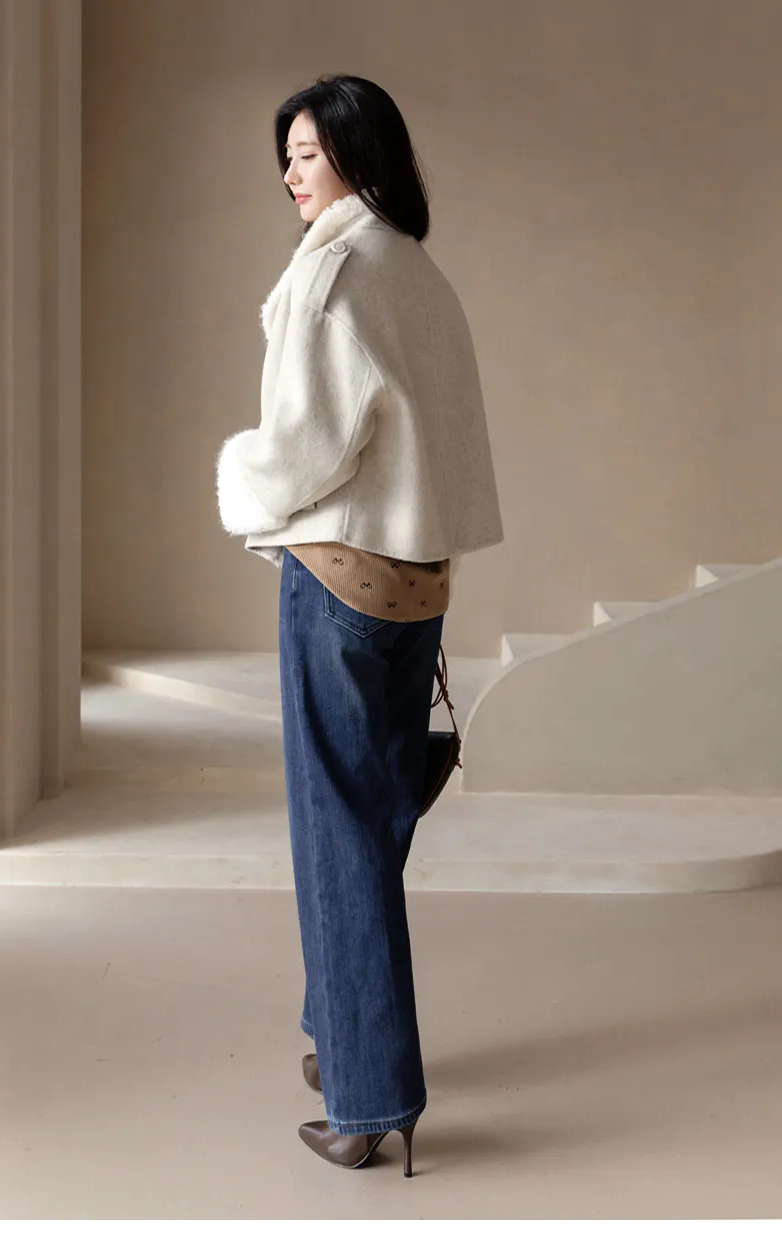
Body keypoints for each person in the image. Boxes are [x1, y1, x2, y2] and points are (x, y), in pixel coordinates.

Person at [216, 74, 503, 1177]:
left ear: (356, 149)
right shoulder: (416, 270)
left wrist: (240, 477)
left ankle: (368, 1096)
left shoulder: (331, 273)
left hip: (336, 579)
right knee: (370, 817)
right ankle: (341, 1029)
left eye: (308, 151)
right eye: (285, 155)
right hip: (415, 581)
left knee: (336, 828)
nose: (291, 172)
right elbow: (450, 439)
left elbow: (302, 449)